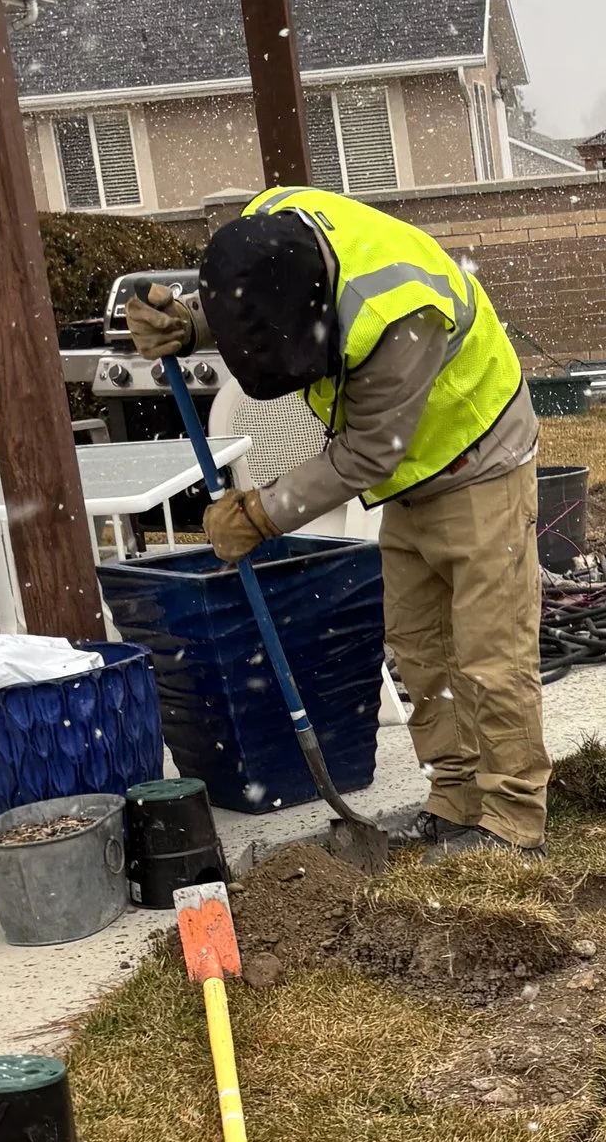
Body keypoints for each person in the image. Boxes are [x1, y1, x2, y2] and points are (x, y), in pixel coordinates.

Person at [130, 184, 546, 854]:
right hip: (411, 479)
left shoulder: (400, 312)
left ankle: (512, 823)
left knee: (488, 656)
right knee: (419, 651)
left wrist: (261, 514)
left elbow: (369, 451)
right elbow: (255, 293)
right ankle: (454, 801)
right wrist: (195, 322)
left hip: (478, 458)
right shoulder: (271, 227)